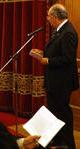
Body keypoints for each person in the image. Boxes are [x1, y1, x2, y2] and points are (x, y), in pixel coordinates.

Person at [29, 4, 78, 148]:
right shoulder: (59, 30)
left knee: (63, 113)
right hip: (55, 80)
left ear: (55, 16)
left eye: (49, 16)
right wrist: (44, 53)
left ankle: (69, 144)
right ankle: (57, 139)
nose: (48, 19)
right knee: (54, 112)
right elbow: (58, 51)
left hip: (62, 81)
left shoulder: (68, 31)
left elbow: (68, 58)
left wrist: (47, 60)